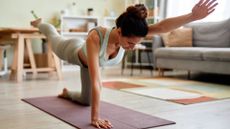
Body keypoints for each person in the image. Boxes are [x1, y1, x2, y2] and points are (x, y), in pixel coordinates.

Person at [31, 0, 217, 128]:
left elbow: (161, 27)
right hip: (72, 51)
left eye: (135, 44)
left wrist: (192, 16)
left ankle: (66, 93)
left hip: (88, 64)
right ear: (119, 32)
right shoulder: (96, 37)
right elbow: (97, 81)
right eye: (129, 43)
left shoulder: (134, 31)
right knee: (53, 37)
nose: (131, 47)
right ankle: (40, 23)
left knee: (86, 101)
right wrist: (95, 118)